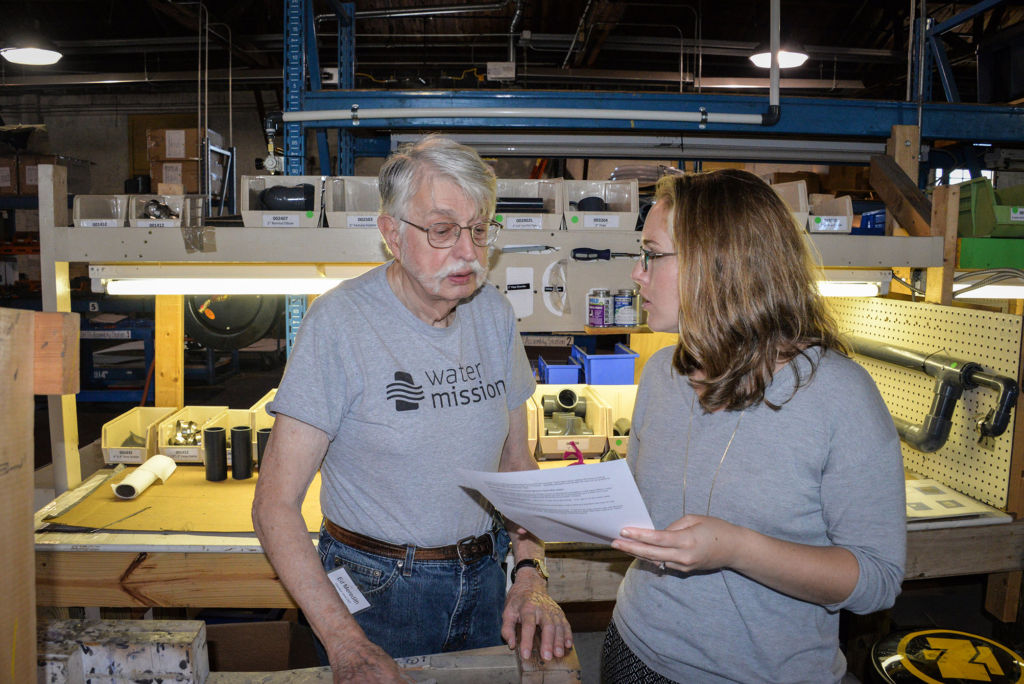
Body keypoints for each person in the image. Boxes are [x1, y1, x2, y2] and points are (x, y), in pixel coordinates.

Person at [252, 135, 572, 683]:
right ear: (391, 234)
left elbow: (517, 468)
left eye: (479, 230)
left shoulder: (492, 315)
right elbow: (274, 505)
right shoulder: (341, 324)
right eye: (444, 230)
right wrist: (345, 643)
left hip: (485, 576)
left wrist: (529, 573)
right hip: (377, 592)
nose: (470, 254)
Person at [601, 169, 906, 683]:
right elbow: (643, 503)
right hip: (635, 649)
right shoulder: (661, 371)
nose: (637, 272)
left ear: (717, 266)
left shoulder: (839, 396)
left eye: (652, 254)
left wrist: (738, 549)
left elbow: (876, 579)